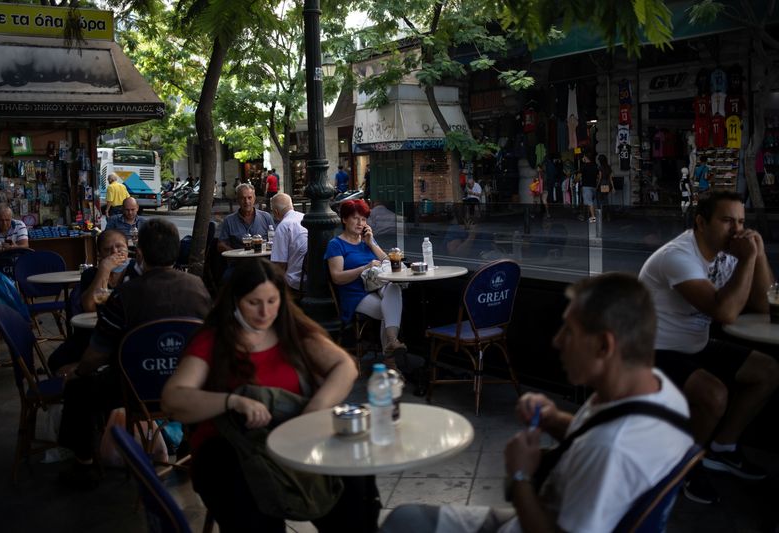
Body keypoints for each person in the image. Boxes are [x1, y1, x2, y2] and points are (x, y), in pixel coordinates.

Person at [380, 273, 694, 533]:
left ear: (604, 345)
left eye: (569, 332)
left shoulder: (612, 449)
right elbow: (595, 435)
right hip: (542, 512)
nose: (557, 342)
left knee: (403, 522)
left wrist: (519, 476)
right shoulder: (661, 393)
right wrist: (555, 419)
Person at [161, 260, 379, 533]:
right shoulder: (213, 340)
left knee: (357, 490)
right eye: (254, 303)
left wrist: (314, 409)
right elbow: (173, 399)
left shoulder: (291, 329)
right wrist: (231, 401)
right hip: (231, 449)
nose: (265, 312)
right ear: (235, 301)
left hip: (294, 437)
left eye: (272, 301)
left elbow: (345, 367)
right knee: (252, 505)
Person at [639, 191, 779, 504]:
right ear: (701, 222)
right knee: (714, 395)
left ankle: (723, 448)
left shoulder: (727, 254)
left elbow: (761, 304)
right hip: (651, 350)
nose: (738, 230)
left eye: (742, 221)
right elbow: (725, 312)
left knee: (767, 371)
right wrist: (746, 260)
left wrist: (758, 254)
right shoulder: (679, 255)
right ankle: (684, 466)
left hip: (694, 345)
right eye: (728, 220)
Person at [56, 219, 212, 489]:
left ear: (139, 252)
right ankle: (189, 450)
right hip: (186, 387)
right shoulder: (198, 288)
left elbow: (98, 354)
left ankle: (84, 465)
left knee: (78, 389)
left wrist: (79, 371)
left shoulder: (125, 295)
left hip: (134, 390)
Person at [325, 200, 406, 367]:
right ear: (344, 219)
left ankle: (391, 343)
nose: (360, 223)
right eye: (355, 219)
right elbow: (337, 277)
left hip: (378, 287)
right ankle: (391, 360)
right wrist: (364, 267)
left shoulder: (367, 241)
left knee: (393, 288)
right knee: (389, 309)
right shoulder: (336, 244)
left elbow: (389, 262)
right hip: (355, 294)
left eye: (363, 219)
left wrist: (371, 243)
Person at [46, 229, 139, 373]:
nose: (114, 252)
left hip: (125, 333)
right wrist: (104, 270)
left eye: (119, 246)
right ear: (100, 254)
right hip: (93, 333)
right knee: (56, 360)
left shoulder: (136, 272)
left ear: (128, 248)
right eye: (108, 249)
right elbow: (90, 306)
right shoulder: (91, 274)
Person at [218, 183, 274, 252]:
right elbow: (221, 244)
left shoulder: (266, 217)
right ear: (237, 200)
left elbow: (276, 240)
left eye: (249, 198)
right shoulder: (229, 221)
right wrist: (235, 254)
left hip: (262, 260)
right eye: (242, 198)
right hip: (239, 261)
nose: (246, 201)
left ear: (254, 198)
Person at [269, 193, 307, 294]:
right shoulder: (305, 217)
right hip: (310, 278)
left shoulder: (283, 226)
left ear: (276, 212)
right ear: (292, 205)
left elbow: (280, 264)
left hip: (295, 282)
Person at [579, 152, 598, 222]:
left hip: (586, 186)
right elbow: (598, 176)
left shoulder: (584, 166)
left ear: (586, 157)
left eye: (583, 156)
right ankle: (587, 215)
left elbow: (579, 176)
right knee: (591, 202)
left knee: (589, 202)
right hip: (594, 186)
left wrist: (575, 181)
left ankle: (593, 217)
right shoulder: (595, 165)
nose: (583, 158)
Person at [596, 154, 615, 220]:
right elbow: (610, 178)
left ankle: (601, 215)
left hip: (602, 184)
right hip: (607, 184)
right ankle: (608, 215)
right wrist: (613, 187)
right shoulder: (608, 167)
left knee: (600, 200)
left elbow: (600, 178)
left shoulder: (600, 167)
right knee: (606, 199)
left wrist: (597, 186)